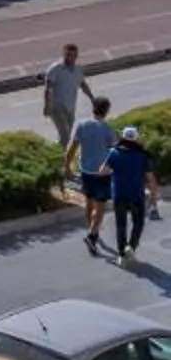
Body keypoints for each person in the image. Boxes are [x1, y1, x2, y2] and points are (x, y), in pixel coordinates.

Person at [71, 95, 117, 254]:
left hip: (85, 171)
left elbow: (73, 147)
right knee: (100, 206)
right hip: (102, 173)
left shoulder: (82, 125)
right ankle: (92, 235)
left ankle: (91, 227)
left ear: (93, 109)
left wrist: (66, 166)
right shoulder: (107, 129)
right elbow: (114, 152)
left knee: (89, 202)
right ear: (106, 111)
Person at [109, 126, 156, 266]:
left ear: (122, 138)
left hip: (119, 194)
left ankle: (121, 255)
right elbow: (150, 177)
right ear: (136, 138)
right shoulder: (143, 155)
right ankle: (131, 246)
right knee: (138, 222)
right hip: (136, 195)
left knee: (121, 224)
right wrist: (154, 194)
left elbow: (102, 171)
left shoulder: (113, 152)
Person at [41, 44, 85, 155]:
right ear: (64, 54)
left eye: (74, 55)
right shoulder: (55, 69)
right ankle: (65, 160)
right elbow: (48, 88)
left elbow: (83, 84)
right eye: (68, 55)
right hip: (57, 107)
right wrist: (47, 105)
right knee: (65, 135)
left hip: (70, 107)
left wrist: (92, 98)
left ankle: (55, 152)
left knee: (67, 134)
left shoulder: (77, 69)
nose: (71, 57)